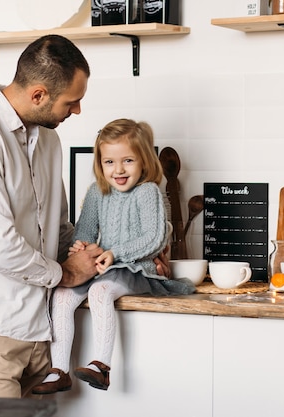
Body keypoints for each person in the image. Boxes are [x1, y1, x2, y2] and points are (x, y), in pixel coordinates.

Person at [0, 34, 105, 398]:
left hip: (38, 333)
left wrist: (90, 253)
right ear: (39, 94)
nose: (77, 111)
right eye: (72, 102)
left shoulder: (47, 139)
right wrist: (66, 272)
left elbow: (57, 227)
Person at [32, 119, 194, 395]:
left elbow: (154, 238)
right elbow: (83, 230)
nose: (118, 169)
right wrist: (79, 248)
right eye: (109, 162)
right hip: (102, 266)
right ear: (100, 163)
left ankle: (102, 367)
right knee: (61, 294)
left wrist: (114, 253)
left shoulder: (148, 192)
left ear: (144, 161)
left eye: (128, 160)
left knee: (100, 292)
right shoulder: (97, 192)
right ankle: (58, 370)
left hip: (135, 268)